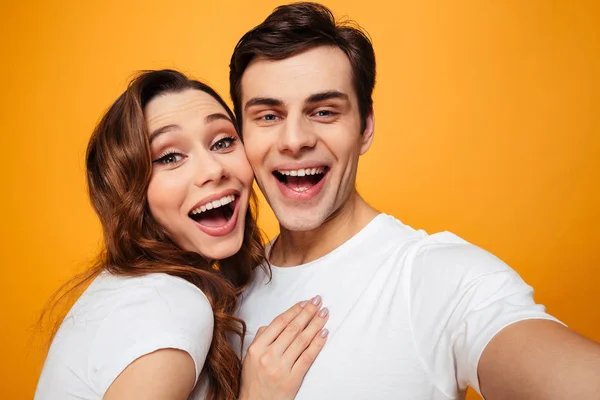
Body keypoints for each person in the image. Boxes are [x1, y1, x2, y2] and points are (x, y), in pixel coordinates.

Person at [230, 3, 600, 399]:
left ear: (365, 128)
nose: (294, 139)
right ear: (241, 135)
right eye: (268, 116)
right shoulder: (227, 291)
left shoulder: (440, 278)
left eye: (323, 111)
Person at [34, 69, 330, 400]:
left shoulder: (136, 288)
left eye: (223, 142)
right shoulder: (170, 307)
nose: (213, 170)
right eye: (170, 157)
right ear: (129, 189)